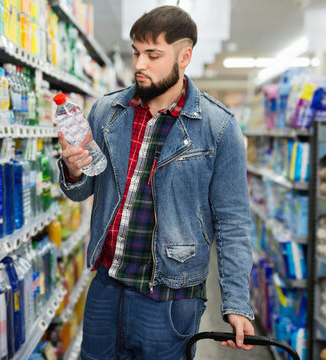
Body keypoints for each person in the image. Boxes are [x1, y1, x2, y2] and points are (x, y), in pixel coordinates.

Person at [57, 5, 254, 359]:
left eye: (153, 54)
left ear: (184, 57)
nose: (139, 65)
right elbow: (85, 188)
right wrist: (73, 169)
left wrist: (236, 302)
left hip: (170, 296)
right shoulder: (107, 112)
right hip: (107, 284)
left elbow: (233, 221)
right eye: (136, 53)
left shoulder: (218, 126)